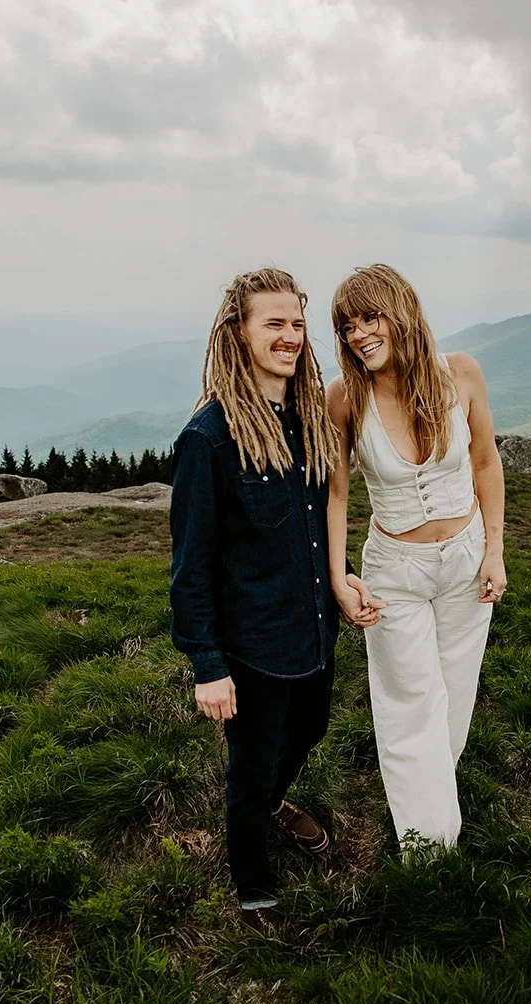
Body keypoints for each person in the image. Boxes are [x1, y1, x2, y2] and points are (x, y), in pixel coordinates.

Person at [169, 266, 378, 927]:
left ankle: (269, 807)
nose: (289, 337)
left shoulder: (308, 417)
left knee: (311, 727)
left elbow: (319, 522)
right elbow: (191, 565)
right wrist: (208, 663)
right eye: (273, 324)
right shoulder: (209, 437)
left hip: (313, 626)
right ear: (239, 332)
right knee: (250, 768)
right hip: (254, 643)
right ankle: (255, 889)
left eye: (296, 324)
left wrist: (341, 581)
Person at [325, 263, 507, 850]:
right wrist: (337, 577)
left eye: (370, 317)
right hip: (394, 571)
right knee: (409, 703)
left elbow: (485, 463)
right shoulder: (345, 397)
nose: (359, 334)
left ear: (401, 311)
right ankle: (429, 852)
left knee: (453, 697)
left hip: (466, 560)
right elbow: (336, 492)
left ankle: (431, 812)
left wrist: (495, 552)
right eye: (348, 325)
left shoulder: (462, 375)